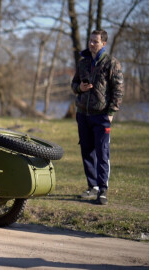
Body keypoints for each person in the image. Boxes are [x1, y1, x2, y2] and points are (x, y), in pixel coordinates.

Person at [71, 29, 124, 205]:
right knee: (87, 151)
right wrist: (81, 88)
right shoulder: (83, 62)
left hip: (101, 116)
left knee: (102, 152)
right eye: (91, 40)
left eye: (96, 41)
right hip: (83, 115)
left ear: (104, 44)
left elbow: (118, 90)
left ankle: (102, 190)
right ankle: (91, 186)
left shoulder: (111, 63)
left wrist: (111, 113)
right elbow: (74, 84)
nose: (91, 43)